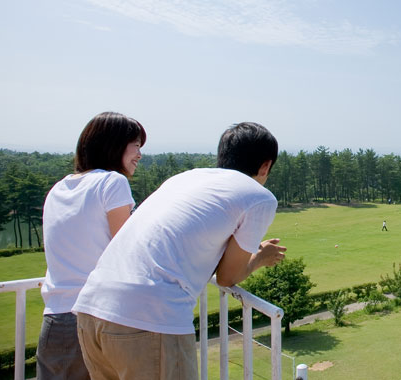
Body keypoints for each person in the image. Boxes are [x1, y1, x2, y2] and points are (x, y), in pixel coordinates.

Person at [73, 122, 286, 380]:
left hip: (90, 309)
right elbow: (228, 277)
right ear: (265, 166)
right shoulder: (259, 197)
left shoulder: (185, 177)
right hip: (149, 317)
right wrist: (260, 258)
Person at [37, 112, 146, 380]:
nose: (139, 155)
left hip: (55, 321)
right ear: (114, 145)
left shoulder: (60, 188)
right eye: (136, 145)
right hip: (94, 320)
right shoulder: (112, 182)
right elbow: (129, 252)